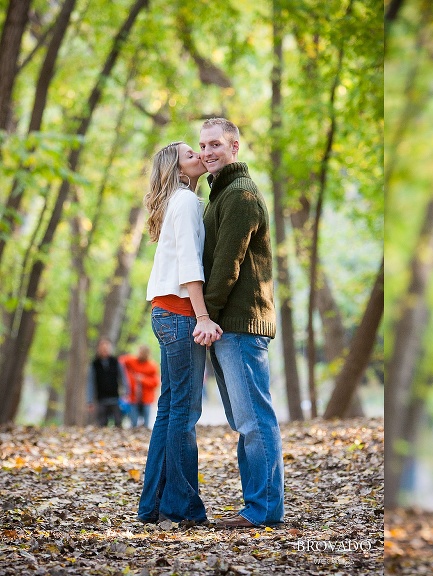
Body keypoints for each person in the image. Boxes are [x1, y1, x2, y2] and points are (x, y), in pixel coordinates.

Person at [197, 117, 284, 529]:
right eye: (203, 145)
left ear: (235, 147)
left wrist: (205, 317)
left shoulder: (241, 195)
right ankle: (258, 506)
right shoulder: (222, 194)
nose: (208, 151)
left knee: (254, 420)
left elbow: (227, 265)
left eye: (216, 143)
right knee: (243, 422)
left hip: (240, 324)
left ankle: (264, 511)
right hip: (228, 324)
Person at [136, 141, 222, 526]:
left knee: (170, 412)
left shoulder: (178, 201)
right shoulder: (185, 202)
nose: (200, 156)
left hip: (165, 313)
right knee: (183, 415)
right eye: (191, 154)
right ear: (177, 169)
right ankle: (181, 508)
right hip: (181, 315)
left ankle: (153, 506)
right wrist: (202, 317)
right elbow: (189, 264)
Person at [87, 337, 126, 427]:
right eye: (102, 348)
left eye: (107, 348)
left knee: (118, 423)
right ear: (99, 349)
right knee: (102, 424)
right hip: (101, 400)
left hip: (115, 399)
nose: (105, 350)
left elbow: (123, 378)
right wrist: (89, 401)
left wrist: (125, 393)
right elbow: (90, 383)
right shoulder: (94, 364)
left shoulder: (116, 362)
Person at [120, 344, 160, 428]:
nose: (142, 355)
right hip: (133, 397)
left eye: (144, 353)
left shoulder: (152, 366)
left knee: (146, 423)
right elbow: (120, 361)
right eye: (140, 352)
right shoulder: (131, 361)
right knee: (133, 422)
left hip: (147, 398)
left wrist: (143, 379)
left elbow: (155, 383)